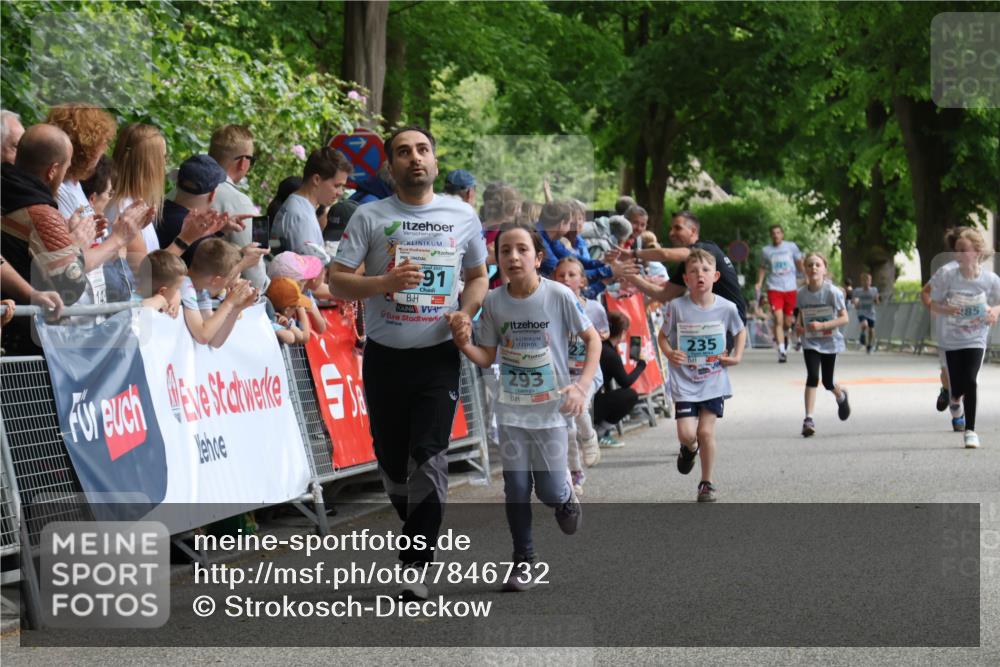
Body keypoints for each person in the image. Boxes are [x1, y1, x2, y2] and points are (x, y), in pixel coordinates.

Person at [328, 126, 489, 599]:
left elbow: (477, 277)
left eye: (422, 151)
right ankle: (415, 520)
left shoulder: (462, 216)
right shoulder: (370, 216)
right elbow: (338, 282)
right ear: (390, 167)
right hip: (385, 360)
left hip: (438, 358)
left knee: (429, 459)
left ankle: (414, 562)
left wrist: (465, 311)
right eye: (403, 152)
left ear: (435, 162)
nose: (414, 159)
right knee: (394, 467)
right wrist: (383, 283)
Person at [448, 224, 597, 592]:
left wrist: (580, 387)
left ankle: (564, 499)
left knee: (546, 490)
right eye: (505, 252)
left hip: (551, 411)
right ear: (496, 260)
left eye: (522, 250)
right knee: (515, 487)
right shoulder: (494, 302)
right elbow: (486, 357)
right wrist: (464, 344)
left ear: (538, 257)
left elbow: (591, 339)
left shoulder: (559, 295)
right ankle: (523, 561)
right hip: (512, 410)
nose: (513, 257)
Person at [1, 124, 149, 352]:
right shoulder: (42, 215)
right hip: (25, 343)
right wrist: (119, 238)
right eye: (66, 167)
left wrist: (70, 241)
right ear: (52, 170)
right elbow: (71, 284)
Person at [658, 248, 746, 502]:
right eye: (693, 271)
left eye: (706, 270)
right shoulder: (676, 307)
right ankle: (690, 449)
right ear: (685, 278)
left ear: (716, 276)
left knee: (706, 432)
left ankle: (706, 483)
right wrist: (669, 352)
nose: (700, 275)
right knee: (687, 434)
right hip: (684, 380)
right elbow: (662, 336)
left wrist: (737, 356)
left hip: (713, 379)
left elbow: (740, 332)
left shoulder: (727, 308)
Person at [927, 227, 1000, 449]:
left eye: (963, 250)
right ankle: (952, 397)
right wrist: (944, 309)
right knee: (957, 385)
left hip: (976, 337)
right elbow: (927, 297)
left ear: (977, 251)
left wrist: (995, 311)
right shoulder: (947, 275)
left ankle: (971, 431)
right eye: (955, 251)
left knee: (971, 380)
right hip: (950, 337)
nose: (957, 255)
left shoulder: (990, 279)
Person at [621, 211, 748, 335]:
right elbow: (664, 295)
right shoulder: (688, 264)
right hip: (711, 321)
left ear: (693, 231)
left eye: (677, 228)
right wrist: (629, 275)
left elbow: (665, 254)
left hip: (728, 319)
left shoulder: (705, 248)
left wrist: (633, 253)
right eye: (671, 229)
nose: (671, 233)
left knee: (713, 357)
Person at [47, 104, 119, 309]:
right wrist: (119, 236)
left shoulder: (76, 185)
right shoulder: (58, 189)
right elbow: (73, 257)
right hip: (72, 306)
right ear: (85, 149)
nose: (103, 151)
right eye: (101, 145)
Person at [553, 256, 608, 491]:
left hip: (588, 373)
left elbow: (604, 334)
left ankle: (589, 436)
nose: (566, 279)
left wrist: (594, 336)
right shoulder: (550, 309)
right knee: (567, 428)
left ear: (583, 281)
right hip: (563, 376)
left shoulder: (594, 308)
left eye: (572, 275)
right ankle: (575, 472)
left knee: (580, 407)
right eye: (561, 275)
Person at [795, 252, 851, 438]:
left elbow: (844, 318)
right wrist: (799, 327)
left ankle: (841, 396)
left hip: (829, 341)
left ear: (825, 269)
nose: (814, 268)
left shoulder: (833, 292)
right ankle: (808, 419)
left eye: (818, 265)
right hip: (810, 341)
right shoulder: (801, 294)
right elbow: (800, 317)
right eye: (810, 265)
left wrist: (823, 326)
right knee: (812, 376)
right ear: (805, 269)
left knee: (827, 382)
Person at [209, 124, 268, 291]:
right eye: (252, 160)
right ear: (243, 162)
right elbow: (255, 261)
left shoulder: (179, 188)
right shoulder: (240, 202)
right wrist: (262, 287)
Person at [922, 226, 968, 426]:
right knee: (948, 372)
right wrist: (936, 308)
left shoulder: (981, 274)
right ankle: (948, 392)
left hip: (972, 332)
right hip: (947, 330)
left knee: (967, 374)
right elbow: (925, 293)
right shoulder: (945, 271)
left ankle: (958, 410)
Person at [108, 123, 168, 266]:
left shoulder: (132, 203)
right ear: (151, 164)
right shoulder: (126, 209)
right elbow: (147, 275)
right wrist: (185, 240)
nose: (165, 164)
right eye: (163, 157)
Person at [272, 147, 350, 257]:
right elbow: (314, 270)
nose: (340, 192)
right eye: (337, 186)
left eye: (343, 187)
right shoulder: (302, 217)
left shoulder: (296, 205)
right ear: (316, 179)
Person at [180, 238, 257, 347]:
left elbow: (215, 341)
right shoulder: (185, 286)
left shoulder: (202, 292)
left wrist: (236, 309)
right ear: (216, 280)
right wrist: (228, 303)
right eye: (229, 278)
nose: (228, 284)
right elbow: (203, 336)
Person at [594, 311, 647, 448]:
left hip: (587, 401)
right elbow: (625, 382)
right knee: (630, 395)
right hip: (593, 406)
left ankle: (598, 431)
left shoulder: (598, 346)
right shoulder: (610, 353)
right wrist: (641, 364)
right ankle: (600, 432)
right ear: (623, 332)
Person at [755, 224, 804, 363]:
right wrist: (759, 282)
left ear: (782, 234)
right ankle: (782, 351)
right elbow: (763, 268)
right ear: (771, 236)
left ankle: (785, 336)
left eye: (778, 232)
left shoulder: (791, 247)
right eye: (773, 233)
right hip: (774, 287)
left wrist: (805, 277)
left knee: (788, 322)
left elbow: (799, 262)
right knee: (778, 319)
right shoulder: (766, 251)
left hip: (790, 287)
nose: (776, 235)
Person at [137, 249, 186, 318]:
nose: (178, 292)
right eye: (177, 288)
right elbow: (139, 311)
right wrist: (161, 300)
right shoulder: (133, 301)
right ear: (162, 291)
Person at [853, 272, 880, 353]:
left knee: (871, 330)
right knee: (864, 324)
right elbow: (854, 302)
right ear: (861, 282)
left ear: (870, 281)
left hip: (871, 312)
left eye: (868, 280)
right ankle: (862, 335)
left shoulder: (874, 290)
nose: (866, 282)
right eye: (864, 280)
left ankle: (869, 345)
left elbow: (877, 302)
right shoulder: (857, 291)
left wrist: (876, 299)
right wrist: (856, 303)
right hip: (861, 311)